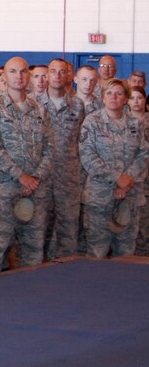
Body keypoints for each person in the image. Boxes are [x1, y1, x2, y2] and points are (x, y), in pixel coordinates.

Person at [0, 57, 53, 274]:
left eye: (22, 72)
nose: (18, 76)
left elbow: (50, 148)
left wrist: (35, 178)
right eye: (13, 72)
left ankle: (32, 299)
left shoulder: (39, 109)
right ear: (4, 76)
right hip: (1, 191)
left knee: (33, 250)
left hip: (35, 192)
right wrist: (21, 176)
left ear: (28, 76)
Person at [79, 79, 148, 257]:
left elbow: (144, 154)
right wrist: (117, 178)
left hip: (130, 195)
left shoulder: (136, 124)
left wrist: (126, 181)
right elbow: (88, 156)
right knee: (97, 251)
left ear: (126, 99)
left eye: (118, 93)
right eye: (109, 93)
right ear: (102, 97)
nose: (113, 97)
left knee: (126, 251)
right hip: (100, 197)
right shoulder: (91, 122)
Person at [37, 58, 85, 260]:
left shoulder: (77, 105)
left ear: (68, 76)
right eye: (53, 71)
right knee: (38, 233)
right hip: (41, 178)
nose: (57, 75)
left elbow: (81, 142)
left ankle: (67, 277)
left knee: (68, 231)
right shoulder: (34, 103)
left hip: (68, 179)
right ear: (47, 75)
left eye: (62, 72)